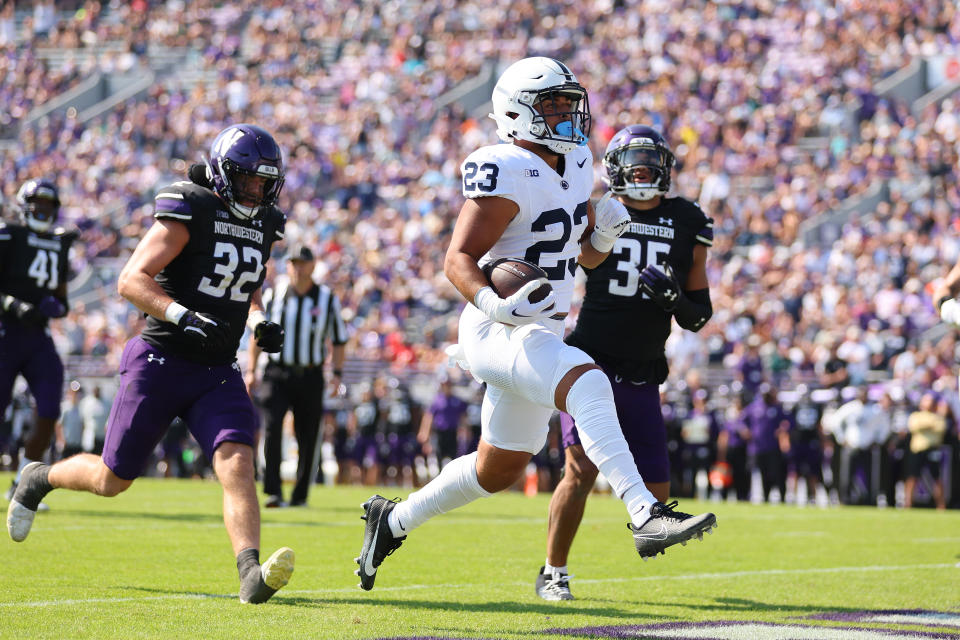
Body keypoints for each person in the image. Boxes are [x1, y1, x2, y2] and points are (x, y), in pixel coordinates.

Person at [352, 58, 717, 593]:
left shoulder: (576, 163)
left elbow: (582, 262)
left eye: (570, 103)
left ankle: (394, 520)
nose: (568, 115)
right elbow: (459, 257)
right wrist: (494, 307)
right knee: (589, 380)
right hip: (495, 327)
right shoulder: (504, 167)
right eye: (553, 105)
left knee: (496, 471)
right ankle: (645, 515)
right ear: (518, 112)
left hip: (537, 333)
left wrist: (604, 241)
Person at [6, 123, 295, 604]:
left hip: (216, 369)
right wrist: (181, 314)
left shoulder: (264, 222)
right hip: (160, 360)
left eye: (264, 182)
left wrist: (261, 319)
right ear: (224, 174)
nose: (255, 190)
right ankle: (39, 477)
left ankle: (249, 573)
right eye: (246, 180)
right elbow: (130, 279)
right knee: (111, 479)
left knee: (238, 464)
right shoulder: (191, 207)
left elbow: (248, 282)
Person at [536, 124, 716, 600]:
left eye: (649, 161)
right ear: (614, 169)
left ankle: (645, 529)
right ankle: (553, 571)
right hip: (589, 359)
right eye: (632, 161)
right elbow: (584, 263)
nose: (642, 170)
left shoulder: (688, 218)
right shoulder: (598, 209)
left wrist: (676, 299)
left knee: (657, 491)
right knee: (579, 471)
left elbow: (699, 315)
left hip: (642, 369)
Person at [248, 242, 347, 508]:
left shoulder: (326, 299)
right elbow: (257, 335)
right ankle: (273, 491)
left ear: (313, 266)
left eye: (302, 262)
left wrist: (336, 373)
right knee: (271, 428)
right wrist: (251, 369)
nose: (297, 268)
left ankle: (300, 494)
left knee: (308, 434)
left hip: (310, 374)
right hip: (277, 372)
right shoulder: (274, 294)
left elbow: (339, 340)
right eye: (293, 262)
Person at [1, 178, 75, 509]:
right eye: (37, 202)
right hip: (5, 331)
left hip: (37, 337)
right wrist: (14, 305)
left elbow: (61, 299)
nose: (42, 209)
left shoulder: (59, 244)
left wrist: (56, 307)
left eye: (49, 204)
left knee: (49, 406)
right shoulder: (9, 235)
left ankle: (23, 482)